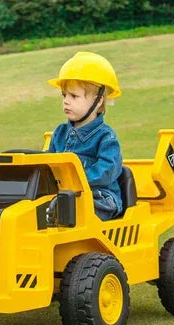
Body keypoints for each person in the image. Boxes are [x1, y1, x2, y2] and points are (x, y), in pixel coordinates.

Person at [45, 51, 124, 221]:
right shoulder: (59, 133)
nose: (66, 101)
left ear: (98, 100)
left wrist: (76, 181)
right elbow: (47, 163)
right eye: (64, 95)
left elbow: (107, 171)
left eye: (74, 96)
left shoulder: (106, 137)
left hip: (100, 196)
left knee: (74, 209)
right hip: (64, 196)